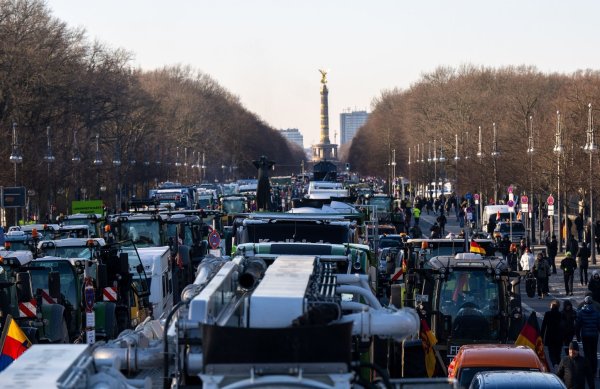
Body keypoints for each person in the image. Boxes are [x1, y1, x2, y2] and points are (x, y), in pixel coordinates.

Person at [576, 295, 600, 379]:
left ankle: (588, 371)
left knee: (587, 354)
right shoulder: (596, 312)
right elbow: (599, 325)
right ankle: (594, 372)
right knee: (594, 353)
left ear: (585, 303)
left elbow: (578, 325)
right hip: (594, 335)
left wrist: (577, 335)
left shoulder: (581, 313)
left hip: (585, 335)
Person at [541, 300, 564, 369]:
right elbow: (563, 326)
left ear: (551, 306)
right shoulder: (561, 314)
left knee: (551, 353)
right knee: (558, 353)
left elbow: (544, 326)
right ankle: (559, 365)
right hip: (559, 336)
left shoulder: (548, 314)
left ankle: (555, 364)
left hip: (550, 336)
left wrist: (541, 336)